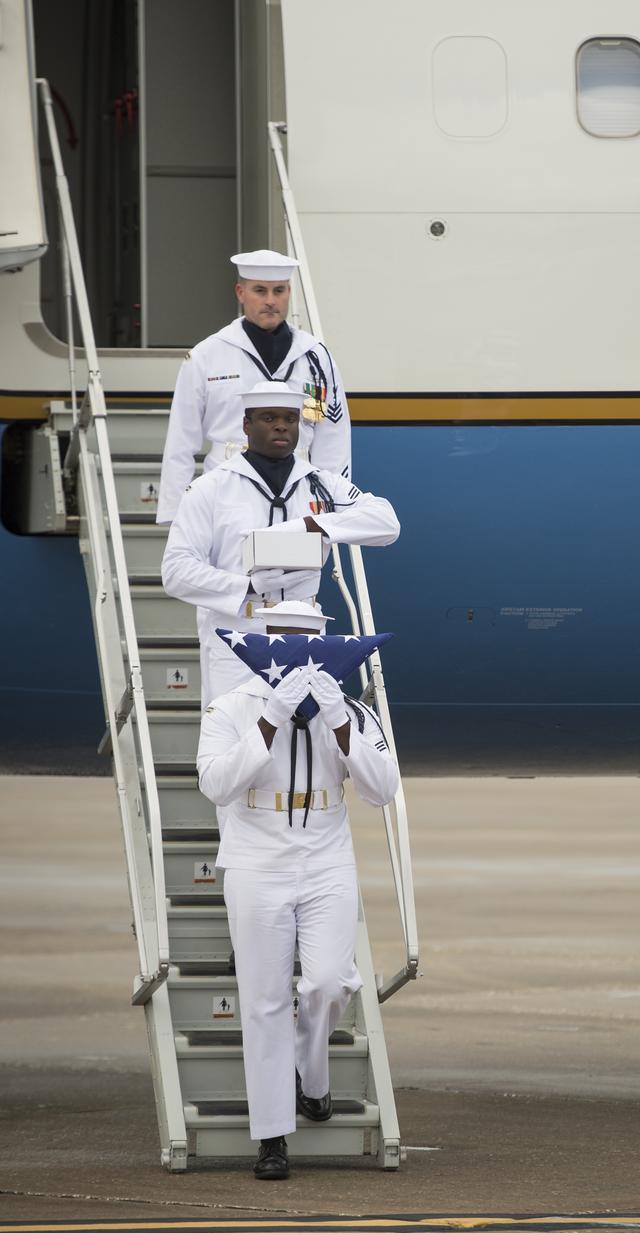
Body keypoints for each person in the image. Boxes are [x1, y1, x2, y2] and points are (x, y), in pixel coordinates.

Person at [197, 599, 400, 1180]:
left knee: (331, 983)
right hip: (257, 855)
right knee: (263, 999)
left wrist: (340, 723)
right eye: (287, 638)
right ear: (268, 641)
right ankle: (271, 1136)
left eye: (310, 638)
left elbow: (383, 790)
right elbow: (216, 785)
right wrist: (271, 719)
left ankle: (312, 1079)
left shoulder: (353, 709)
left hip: (326, 854)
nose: (301, 651)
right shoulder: (233, 707)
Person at [161, 381, 399, 709]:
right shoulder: (211, 488)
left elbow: (387, 522)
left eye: (290, 418)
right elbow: (176, 571)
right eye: (268, 417)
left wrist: (312, 525)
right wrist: (246, 585)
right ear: (246, 424)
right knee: (237, 741)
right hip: (238, 637)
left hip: (302, 636)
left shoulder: (321, 484)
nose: (281, 426)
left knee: (302, 742)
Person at [156, 249, 352, 524]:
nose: (270, 301)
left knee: (299, 568)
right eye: (260, 290)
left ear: (289, 292)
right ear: (240, 293)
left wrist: (330, 508)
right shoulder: (207, 355)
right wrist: (176, 514)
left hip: (297, 492)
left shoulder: (315, 358)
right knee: (228, 568)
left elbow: (332, 435)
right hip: (225, 492)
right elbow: (181, 440)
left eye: (279, 290)